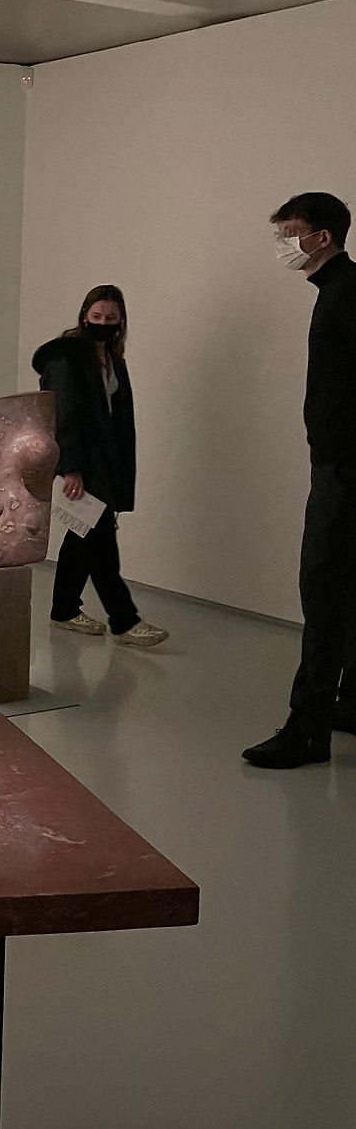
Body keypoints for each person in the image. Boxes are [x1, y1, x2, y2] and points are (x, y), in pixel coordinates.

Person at [243, 193, 356, 769]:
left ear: (323, 236)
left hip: (344, 468)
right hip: (341, 463)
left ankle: (307, 730)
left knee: (323, 590)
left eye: (291, 232)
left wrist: (333, 451)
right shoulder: (338, 292)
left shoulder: (345, 296)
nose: (284, 244)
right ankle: (350, 704)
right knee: (346, 589)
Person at [32, 286, 169, 648]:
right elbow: (63, 413)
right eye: (97, 317)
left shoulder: (111, 356)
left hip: (105, 461)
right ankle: (124, 620)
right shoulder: (67, 357)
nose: (103, 323)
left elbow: (116, 414)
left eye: (111, 318)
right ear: (84, 317)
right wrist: (71, 467)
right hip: (85, 462)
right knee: (101, 541)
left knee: (83, 534)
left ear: (120, 321)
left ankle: (64, 609)